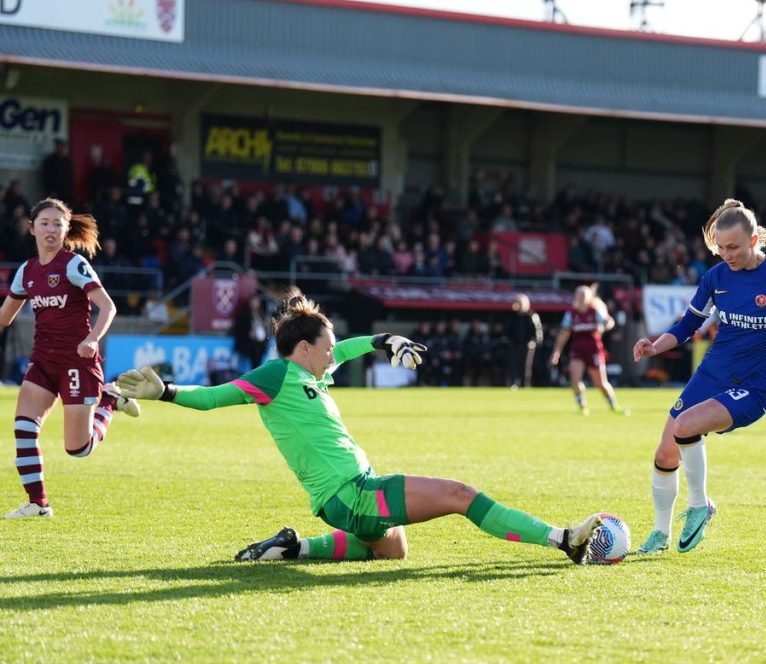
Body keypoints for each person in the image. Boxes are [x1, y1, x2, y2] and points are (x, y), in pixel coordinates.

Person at [115, 291, 602, 563]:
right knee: (460, 494)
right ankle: (563, 540)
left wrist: (385, 340)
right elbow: (215, 396)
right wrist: (167, 391)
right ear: (303, 348)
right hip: (352, 494)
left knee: (394, 549)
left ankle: (293, 548)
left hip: (343, 499)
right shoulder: (276, 375)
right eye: (325, 348)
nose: (333, 356)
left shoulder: (309, 371)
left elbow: (346, 349)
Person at [631, 199, 766, 555]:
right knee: (665, 453)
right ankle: (659, 534)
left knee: (685, 426)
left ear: (754, 241)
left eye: (733, 247)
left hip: (753, 388)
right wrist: (656, 346)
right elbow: (689, 324)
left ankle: (700, 506)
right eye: (720, 247)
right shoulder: (716, 277)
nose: (726, 255)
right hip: (712, 374)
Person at [0, 198, 139, 519]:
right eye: (44, 223)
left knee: (78, 449)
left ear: (66, 230)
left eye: (57, 224)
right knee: (23, 427)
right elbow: (4, 318)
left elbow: (108, 306)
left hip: (78, 362)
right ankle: (38, 504)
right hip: (42, 362)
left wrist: (92, 338)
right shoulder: (26, 272)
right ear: (31, 229)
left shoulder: (74, 265)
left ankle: (110, 400)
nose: (51, 229)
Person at [549, 285, 626, 416]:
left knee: (600, 383)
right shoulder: (571, 314)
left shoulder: (595, 311)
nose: (581, 297)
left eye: (584, 295)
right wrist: (556, 352)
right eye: (579, 294)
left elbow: (608, 321)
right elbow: (564, 334)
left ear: (589, 297)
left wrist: (608, 324)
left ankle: (613, 405)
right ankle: (582, 406)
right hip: (577, 350)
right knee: (575, 380)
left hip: (594, 350)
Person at [507, 293, 543, 388]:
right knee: (514, 365)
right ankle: (514, 383)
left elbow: (538, 332)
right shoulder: (513, 316)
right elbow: (508, 331)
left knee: (526, 366)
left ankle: (526, 384)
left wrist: (534, 342)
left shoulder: (532, 316)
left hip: (528, 346)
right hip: (515, 345)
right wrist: (510, 342)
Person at [231, 294, 271, 371]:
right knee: (255, 351)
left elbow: (266, 327)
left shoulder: (262, 313)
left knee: (260, 350)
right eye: (254, 301)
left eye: (257, 301)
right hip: (248, 341)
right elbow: (239, 328)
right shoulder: (244, 313)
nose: (255, 303)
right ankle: (255, 372)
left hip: (261, 341)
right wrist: (249, 333)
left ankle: (257, 371)